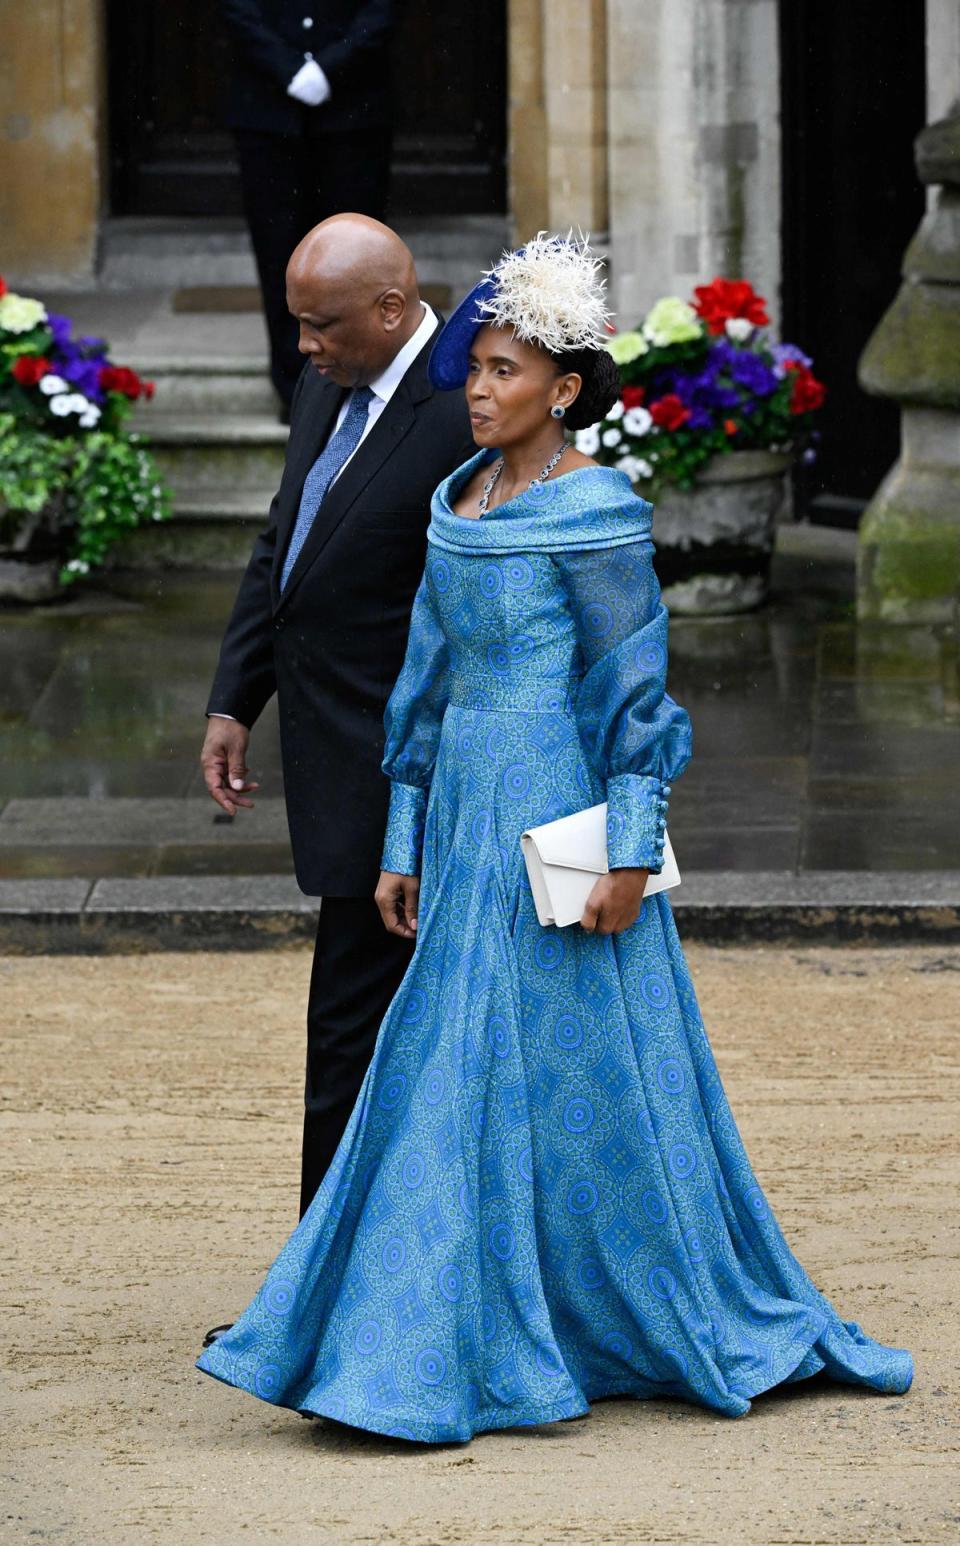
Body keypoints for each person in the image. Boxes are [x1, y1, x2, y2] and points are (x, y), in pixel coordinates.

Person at [197, 235, 913, 1442]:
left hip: (560, 815)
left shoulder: (600, 514)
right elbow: (421, 691)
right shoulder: (454, 500)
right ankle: (415, 1313)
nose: (476, 390)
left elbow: (636, 699)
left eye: (503, 371)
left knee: (581, 1067)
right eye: (472, 367)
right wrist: (403, 838)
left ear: (563, 388)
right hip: (466, 809)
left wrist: (631, 850)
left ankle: (588, 1309)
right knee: (441, 1059)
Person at [200, 212, 475, 1269]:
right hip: (338, 762)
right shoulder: (327, 380)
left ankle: (330, 1290)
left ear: (392, 310)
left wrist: (424, 794)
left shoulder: (466, 411)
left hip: (422, 779)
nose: (302, 349)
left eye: (319, 327)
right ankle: (344, 1276)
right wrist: (237, 697)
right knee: (354, 1038)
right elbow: (287, 541)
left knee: (357, 1038)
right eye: (296, 326)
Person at [221, 1, 397, 411]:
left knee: (356, 260)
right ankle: (296, 391)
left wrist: (329, 67)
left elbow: (380, 11)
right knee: (278, 253)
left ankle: (358, 380)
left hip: (353, 111)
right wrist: (288, 68)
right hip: (268, 112)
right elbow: (239, 10)